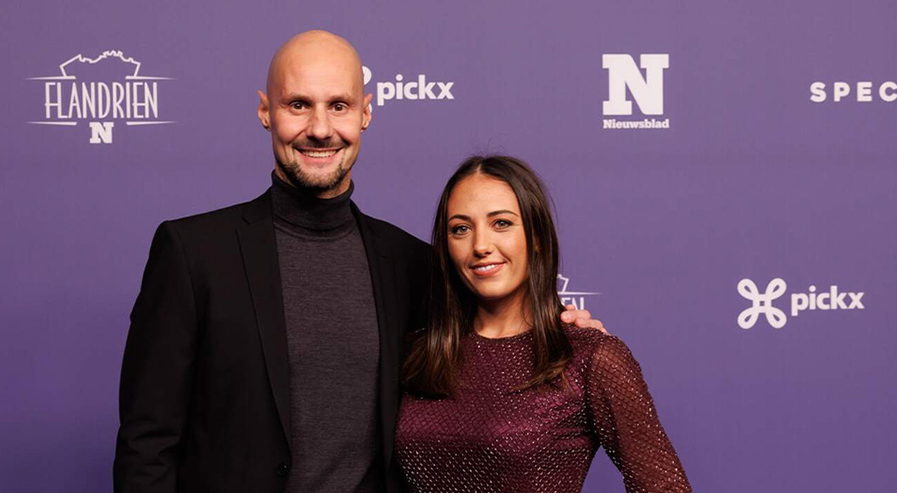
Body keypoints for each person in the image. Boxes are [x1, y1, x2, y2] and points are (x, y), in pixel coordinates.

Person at [113, 31, 603, 493]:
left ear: (366, 113)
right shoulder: (192, 252)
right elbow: (147, 445)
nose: (320, 129)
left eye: (339, 106)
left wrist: (566, 332)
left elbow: (492, 339)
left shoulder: (414, 265)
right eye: (298, 105)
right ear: (266, 111)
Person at [395, 156, 690, 492]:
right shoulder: (419, 351)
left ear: (537, 237)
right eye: (461, 229)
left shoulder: (589, 358)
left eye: (501, 223)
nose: (480, 246)